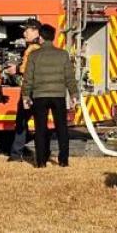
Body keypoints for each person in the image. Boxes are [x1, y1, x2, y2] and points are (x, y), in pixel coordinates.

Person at [22, 24, 77, 168]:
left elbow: (28, 78)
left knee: (40, 129)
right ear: (52, 37)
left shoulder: (34, 55)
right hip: (58, 95)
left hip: (39, 96)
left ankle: (41, 162)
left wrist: (26, 96)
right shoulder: (63, 54)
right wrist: (73, 94)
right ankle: (63, 161)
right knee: (62, 128)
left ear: (40, 37)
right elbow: (69, 77)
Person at [8, 18, 43, 162]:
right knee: (40, 124)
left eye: (26, 30)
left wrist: (14, 69)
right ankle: (42, 154)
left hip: (29, 92)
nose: (24, 33)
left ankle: (16, 155)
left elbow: (25, 69)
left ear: (35, 30)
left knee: (21, 122)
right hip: (42, 91)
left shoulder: (32, 48)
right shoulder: (43, 46)